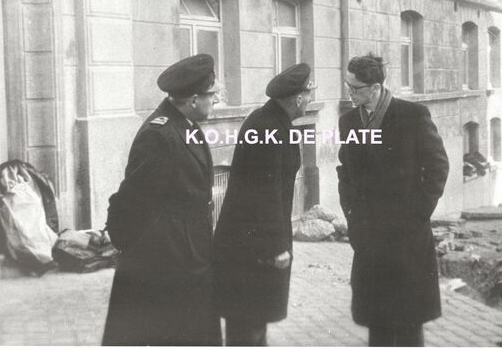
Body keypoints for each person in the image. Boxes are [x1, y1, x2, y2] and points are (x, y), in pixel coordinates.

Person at [102, 54, 222, 345]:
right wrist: (136, 252)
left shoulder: (184, 124)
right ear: (194, 99)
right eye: (213, 94)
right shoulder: (160, 135)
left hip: (188, 254)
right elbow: (133, 200)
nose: (217, 100)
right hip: (167, 261)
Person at [336, 54, 449, 347]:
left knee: (408, 322)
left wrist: (416, 215)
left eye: (355, 88)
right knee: (378, 323)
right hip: (369, 240)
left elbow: (437, 167)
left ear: (375, 88)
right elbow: (345, 171)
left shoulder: (413, 115)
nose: (350, 94)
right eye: (348, 86)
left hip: (406, 240)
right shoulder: (349, 122)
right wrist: (352, 215)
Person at [213, 63, 315, 346]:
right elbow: (264, 194)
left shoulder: (271, 122)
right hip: (251, 248)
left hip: (249, 244)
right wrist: (277, 246)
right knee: (249, 323)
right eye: (309, 94)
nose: (310, 100)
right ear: (298, 98)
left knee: (252, 321)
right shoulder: (268, 128)